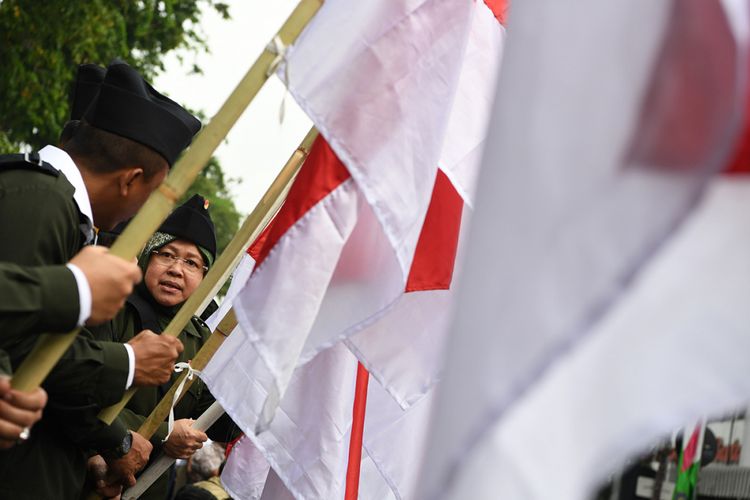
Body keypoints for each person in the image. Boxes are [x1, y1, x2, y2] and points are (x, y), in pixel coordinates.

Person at [0, 60, 200, 499]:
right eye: (154, 196)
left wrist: (99, 448)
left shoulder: (61, 210)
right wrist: (128, 361)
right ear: (132, 181)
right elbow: (20, 343)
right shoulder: (41, 201)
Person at [89, 195, 239, 499]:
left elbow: (210, 419)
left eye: (191, 263)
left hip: (148, 489)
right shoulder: (111, 308)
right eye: (167, 254)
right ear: (147, 258)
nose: (176, 269)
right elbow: (81, 394)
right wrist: (164, 434)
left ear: (203, 277)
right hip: (87, 473)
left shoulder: (201, 340)